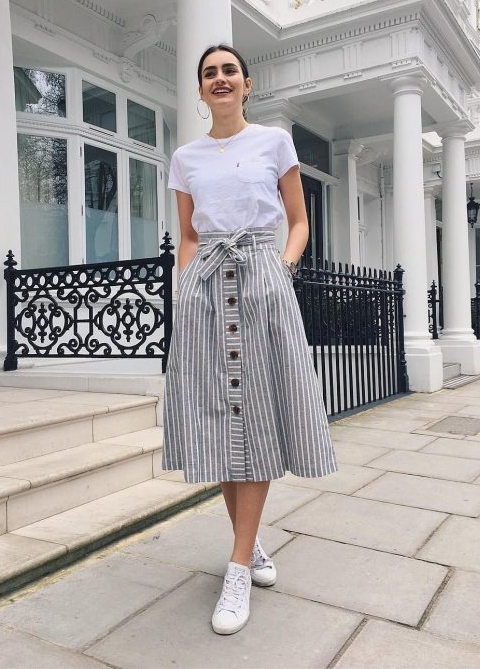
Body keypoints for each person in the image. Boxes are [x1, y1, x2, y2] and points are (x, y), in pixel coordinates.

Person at [162, 44, 338, 635]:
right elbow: (187, 235)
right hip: (206, 289)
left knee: (256, 416)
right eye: (209, 72)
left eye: (228, 71)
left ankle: (238, 567)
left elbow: (299, 220)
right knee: (219, 420)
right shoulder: (184, 157)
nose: (219, 79)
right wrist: (185, 289)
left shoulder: (273, 142)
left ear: (247, 84)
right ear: (200, 88)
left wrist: (282, 270)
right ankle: (251, 545)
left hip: (262, 280)